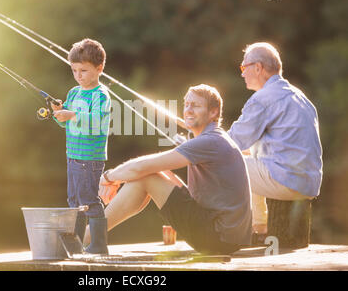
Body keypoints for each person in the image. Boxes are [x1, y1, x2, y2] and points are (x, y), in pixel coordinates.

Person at [86, 84, 252, 254]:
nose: (188, 110)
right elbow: (155, 169)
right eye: (186, 104)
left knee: (146, 176)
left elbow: (140, 167)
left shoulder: (210, 141)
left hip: (218, 238)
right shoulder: (214, 139)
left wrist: (107, 178)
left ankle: (84, 239)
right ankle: (89, 237)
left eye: (195, 106)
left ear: (213, 112)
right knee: (150, 173)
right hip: (226, 238)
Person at [228, 42, 323, 238]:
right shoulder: (300, 97)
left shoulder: (263, 99)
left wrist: (197, 139)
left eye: (243, 67)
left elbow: (231, 143)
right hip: (309, 184)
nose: (242, 73)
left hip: (287, 181)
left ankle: (224, 231)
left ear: (258, 67)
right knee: (245, 157)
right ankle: (259, 228)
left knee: (224, 163)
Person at [51, 38, 111, 254]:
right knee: (74, 200)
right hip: (73, 156)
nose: (78, 75)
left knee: (89, 200)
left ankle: (98, 245)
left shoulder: (101, 95)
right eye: (74, 70)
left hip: (90, 159)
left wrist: (73, 114)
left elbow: (96, 120)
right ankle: (75, 244)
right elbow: (65, 122)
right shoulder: (73, 92)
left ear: (99, 68)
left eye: (83, 70)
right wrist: (59, 113)